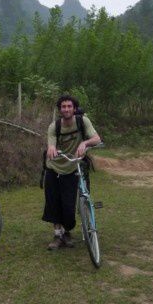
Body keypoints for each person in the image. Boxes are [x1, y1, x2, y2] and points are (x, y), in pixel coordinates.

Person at [42, 94, 101, 250]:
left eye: (69, 106)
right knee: (53, 203)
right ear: (60, 109)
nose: (66, 109)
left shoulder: (83, 121)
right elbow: (51, 143)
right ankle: (57, 235)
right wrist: (52, 147)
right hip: (53, 167)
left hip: (72, 167)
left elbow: (97, 138)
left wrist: (85, 142)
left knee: (68, 205)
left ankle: (67, 233)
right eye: (63, 107)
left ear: (74, 109)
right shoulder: (54, 126)